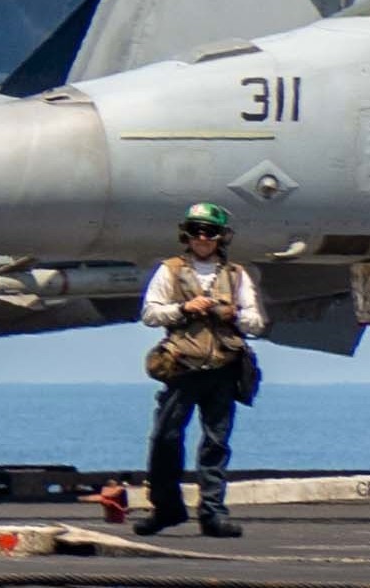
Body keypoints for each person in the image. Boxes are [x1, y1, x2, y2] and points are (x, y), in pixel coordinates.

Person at [134, 202, 264, 538]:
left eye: (209, 232)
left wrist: (231, 315)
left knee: (216, 443)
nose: (202, 237)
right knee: (165, 439)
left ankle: (213, 514)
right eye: (196, 231)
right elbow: (150, 313)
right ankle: (166, 508)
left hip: (223, 368)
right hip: (182, 368)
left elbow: (256, 322)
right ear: (186, 235)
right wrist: (183, 308)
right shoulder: (171, 271)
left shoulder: (237, 275)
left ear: (221, 237)